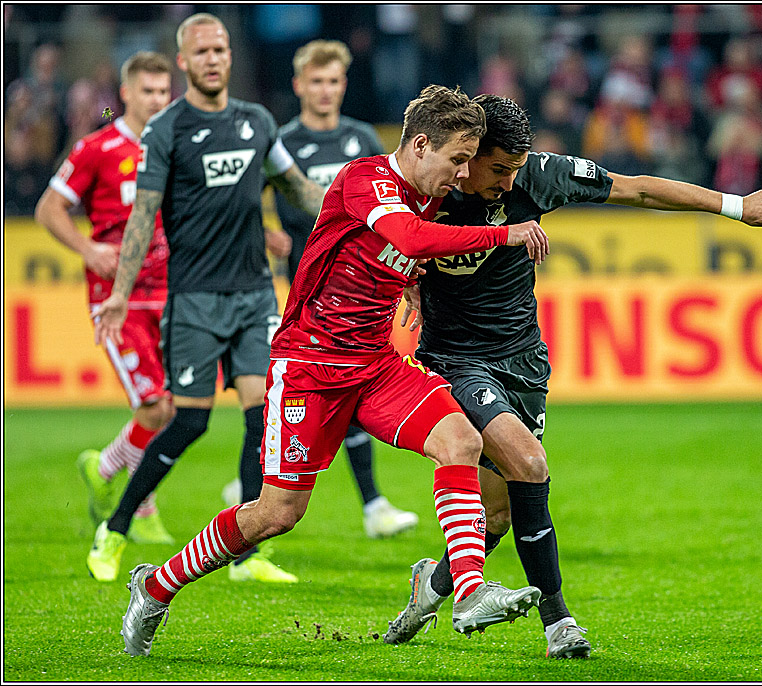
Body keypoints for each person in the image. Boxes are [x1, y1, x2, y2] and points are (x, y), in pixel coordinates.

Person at [116, 84, 553, 658]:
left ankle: (468, 592)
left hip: (374, 364)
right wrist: (506, 233)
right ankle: (155, 585)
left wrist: (417, 287)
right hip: (309, 368)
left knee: (461, 439)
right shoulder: (364, 180)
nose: (465, 172)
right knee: (277, 513)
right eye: (457, 159)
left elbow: (411, 253)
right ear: (420, 145)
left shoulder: (432, 195)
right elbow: (407, 238)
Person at [383, 94, 762, 658]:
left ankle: (431, 587)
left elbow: (637, 187)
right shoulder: (425, 192)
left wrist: (735, 206)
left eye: (517, 169)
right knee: (530, 465)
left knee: (499, 515)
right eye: (498, 169)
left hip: (523, 360)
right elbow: (379, 243)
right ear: (468, 154)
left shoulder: (538, 177)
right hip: (456, 361)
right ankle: (559, 623)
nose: (510, 184)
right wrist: (403, 280)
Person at [87, 13, 328, 585]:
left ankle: (248, 557)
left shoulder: (256, 122)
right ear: (184, 62)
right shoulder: (166, 130)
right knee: (188, 423)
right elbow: (143, 218)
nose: (215, 58)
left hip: (252, 295)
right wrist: (120, 293)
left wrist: (368, 217)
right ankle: (116, 526)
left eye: (221, 48)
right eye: (203, 52)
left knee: (262, 415)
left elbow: (297, 186)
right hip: (193, 298)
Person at [269, 38, 419, 538]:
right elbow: (248, 199)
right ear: (298, 86)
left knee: (350, 385)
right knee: (297, 396)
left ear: (344, 85)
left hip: (363, 291)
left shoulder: (361, 140)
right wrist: (263, 232)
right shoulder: (283, 141)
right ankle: (266, 488)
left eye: (333, 81)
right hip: (308, 290)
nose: (325, 90)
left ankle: (372, 503)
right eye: (316, 81)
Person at [34, 51, 175, 546]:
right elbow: (49, 209)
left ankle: (108, 468)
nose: (158, 100)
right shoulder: (97, 147)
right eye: (149, 92)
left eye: (164, 92)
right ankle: (139, 507)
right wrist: (88, 247)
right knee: (154, 405)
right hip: (117, 300)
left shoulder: (174, 147)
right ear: (126, 94)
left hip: (169, 294)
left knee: (172, 407)